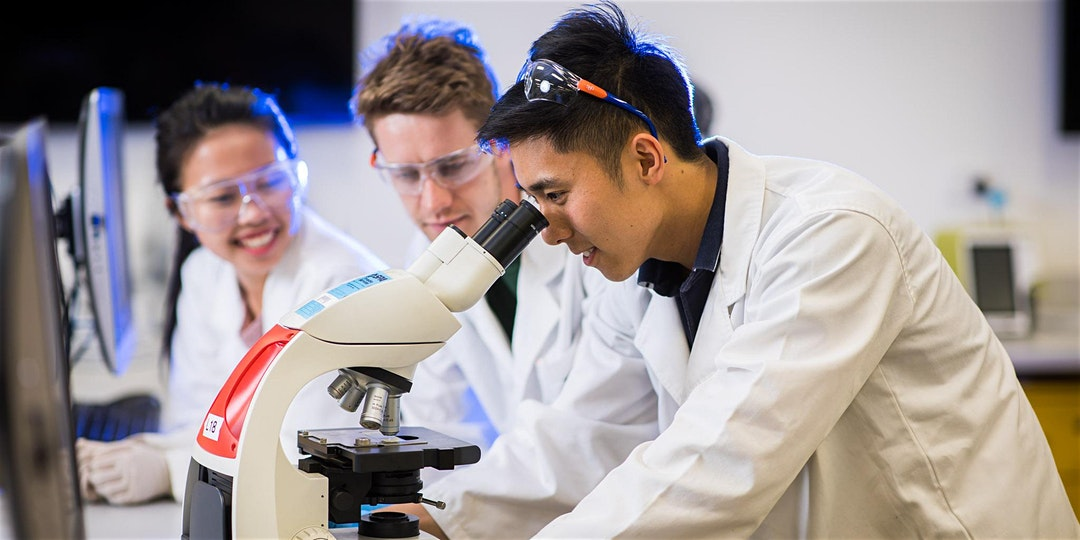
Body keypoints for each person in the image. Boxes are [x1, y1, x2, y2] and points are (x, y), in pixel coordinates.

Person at [459, 1, 1080, 537]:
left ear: (646, 159)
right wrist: (437, 517)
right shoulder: (639, 273)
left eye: (556, 195)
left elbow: (725, 464)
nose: (549, 230)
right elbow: (580, 440)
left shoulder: (831, 234)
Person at [350, 15, 658, 535]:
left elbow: (587, 435)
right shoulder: (431, 257)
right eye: (405, 175)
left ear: (498, 146)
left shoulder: (593, 240)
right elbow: (444, 425)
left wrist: (444, 514)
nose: (432, 201)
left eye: (452, 166)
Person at [75, 83, 387, 505]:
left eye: (270, 182)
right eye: (222, 196)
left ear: (296, 175)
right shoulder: (205, 272)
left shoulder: (340, 280)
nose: (253, 212)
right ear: (181, 212)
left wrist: (169, 470)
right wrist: (138, 453)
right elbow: (198, 420)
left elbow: (316, 455)